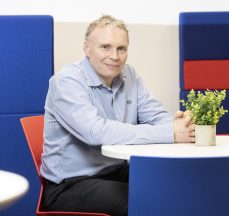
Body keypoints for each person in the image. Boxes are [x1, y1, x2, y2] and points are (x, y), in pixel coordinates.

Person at [40, 15, 195, 216]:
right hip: (71, 184)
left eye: (121, 48)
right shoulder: (67, 81)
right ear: (86, 48)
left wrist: (180, 124)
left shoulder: (129, 75)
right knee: (142, 201)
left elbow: (155, 115)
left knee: (179, 185)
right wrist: (170, 133)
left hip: (117, 172)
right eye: (105, 47)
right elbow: (95, 132)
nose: (115, 55)